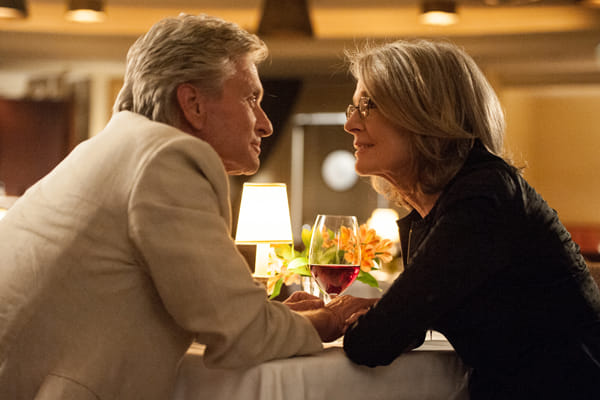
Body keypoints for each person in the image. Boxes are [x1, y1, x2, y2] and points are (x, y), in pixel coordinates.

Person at [0, 14, 375, 400]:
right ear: (193, 103)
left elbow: (210, 309)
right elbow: (243, 335)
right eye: (251, 99)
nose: (266, 124)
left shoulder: (120, 147)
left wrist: (277, 316)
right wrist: (330, 318)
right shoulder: (167, 159)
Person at [341, 39, 600, 399]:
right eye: (353, 107)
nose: (350, 123)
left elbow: (372, 343)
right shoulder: (441, 207)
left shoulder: (483, 197)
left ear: (426, 111)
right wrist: (388, 313)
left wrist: (371, 318)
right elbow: (411, 321)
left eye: (368, 105)